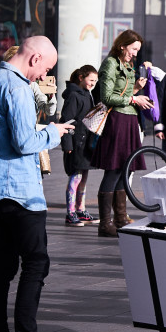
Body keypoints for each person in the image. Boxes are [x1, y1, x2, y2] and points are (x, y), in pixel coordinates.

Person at [0, 36, 74, 332]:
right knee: (36, 263)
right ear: (35, 58)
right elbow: (25, 142)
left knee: (3, 266)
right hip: (19, 191)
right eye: (46, 68)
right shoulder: (17, 87)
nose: (44, 75)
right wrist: (53, 132)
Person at [91, 30, 155, 238]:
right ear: (122, 45)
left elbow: (124, 94)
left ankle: (120, 218)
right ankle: (105, 223)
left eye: (137, 50)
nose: (135, 53)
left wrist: (135, 89)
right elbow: (107, 97)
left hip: (128, 120)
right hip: (116, 121)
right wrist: (134, 99)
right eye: (133, 49)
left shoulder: (127, 65)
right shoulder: (110, 63)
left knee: (125, 169)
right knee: (114, 170)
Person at [58, 65, 98, 227]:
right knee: (76, 177)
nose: (93, 84)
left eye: (95, 81)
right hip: (76, 143)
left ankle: (80, 210)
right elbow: (66, 120)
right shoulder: (74, 96)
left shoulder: (87, 94)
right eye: (91, 80)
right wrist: (67, 143)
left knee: (83, 177)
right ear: (81, 78)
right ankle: (71, 213)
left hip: (85, 143)